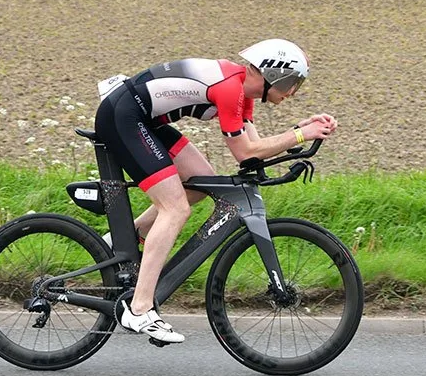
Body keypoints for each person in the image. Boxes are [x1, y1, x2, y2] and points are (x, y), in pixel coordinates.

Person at [93, 39, 337, 343]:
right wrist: (300, 133)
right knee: (176, 208)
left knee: (200, 182)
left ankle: (124, 238)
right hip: (124, 117)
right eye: (292, 83)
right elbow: (244, 151)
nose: (292, 92)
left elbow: (253, 153)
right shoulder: (230, 89)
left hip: (141, 117)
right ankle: (139, 309)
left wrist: (298, 131)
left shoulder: (243, 91)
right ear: (272, 75)